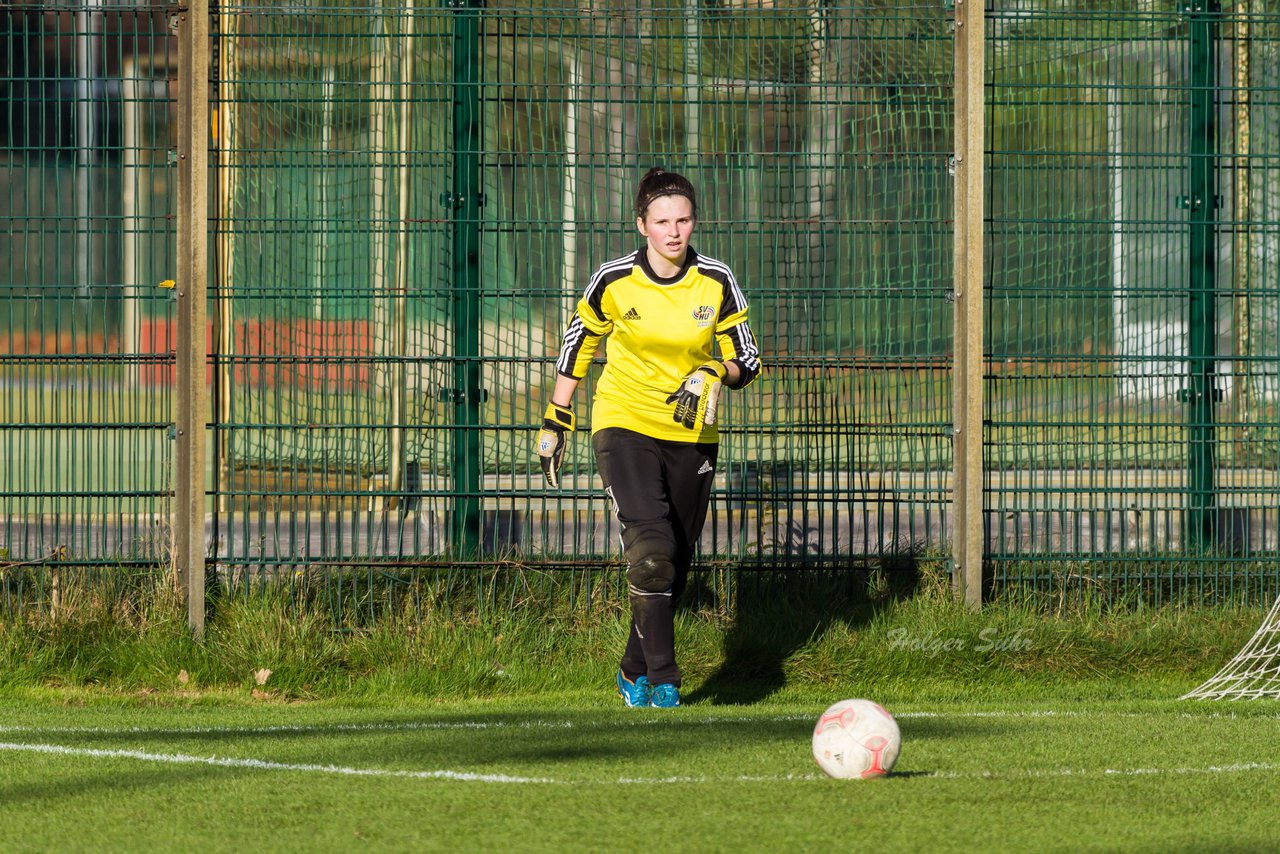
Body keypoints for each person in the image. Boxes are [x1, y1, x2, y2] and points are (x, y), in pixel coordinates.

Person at [536, 167, 762, 709]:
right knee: (651, 549)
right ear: (642, 224)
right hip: (624, 421)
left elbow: (747, 360)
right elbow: (580, 342)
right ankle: (665, 680)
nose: (674, 231)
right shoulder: (613, 280)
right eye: (662, 221)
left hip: (692, 434)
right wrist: (556, 415)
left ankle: (632, 667)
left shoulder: (716, 280)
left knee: (672, 565)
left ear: (694, 223)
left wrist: (714, 371)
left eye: (683, 219)